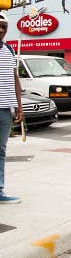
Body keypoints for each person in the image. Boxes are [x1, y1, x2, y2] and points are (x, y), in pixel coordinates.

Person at [0, 12, 23, 204]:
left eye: (4, 27)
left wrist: (19, 107)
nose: (1, 30)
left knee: (0, 151)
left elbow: (14, 79)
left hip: (5, 110)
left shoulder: (9, 50)